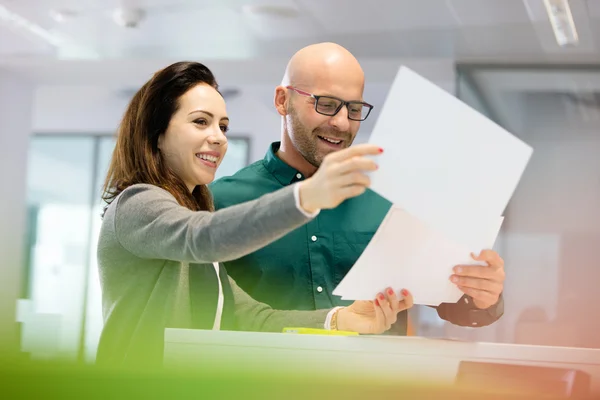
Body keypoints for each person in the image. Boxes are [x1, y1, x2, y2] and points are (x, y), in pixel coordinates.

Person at [96, 61, 415, 368]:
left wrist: (339, 319)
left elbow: (252, 318)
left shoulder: (196, 217)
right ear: (157, 133)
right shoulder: (136, 204)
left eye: (223, 126)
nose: (219, 137)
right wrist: (306, 196)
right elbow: (203, 236)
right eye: (200, 122)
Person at [210, 42, 505, 333]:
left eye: (354, 109)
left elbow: (451, 300)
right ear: (282, 101)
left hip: (372, 380)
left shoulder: (392, 200)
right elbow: (213, 314)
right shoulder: (219, 204)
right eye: (326, 104)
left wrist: (481, 294)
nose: (341, 123)